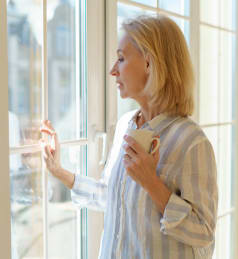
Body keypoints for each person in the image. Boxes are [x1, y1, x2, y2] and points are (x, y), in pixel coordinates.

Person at [41, 15, 218, 259]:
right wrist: (60, 171)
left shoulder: (190, 141)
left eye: (121, 59)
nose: (113, 70)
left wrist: (152, 184)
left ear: (149, 63)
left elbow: (204, 232)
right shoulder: (126, 126)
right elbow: (112, 197)